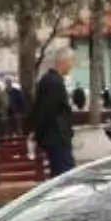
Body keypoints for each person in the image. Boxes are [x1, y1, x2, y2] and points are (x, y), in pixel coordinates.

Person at [28, 48, 77, 176]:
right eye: (71, 61)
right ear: (62, 61)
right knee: (65, 176)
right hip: (57, 137)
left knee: (60, 175)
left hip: (54, 137)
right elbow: (46, 111)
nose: (72, 65)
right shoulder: (54, 82)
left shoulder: (50, 80)